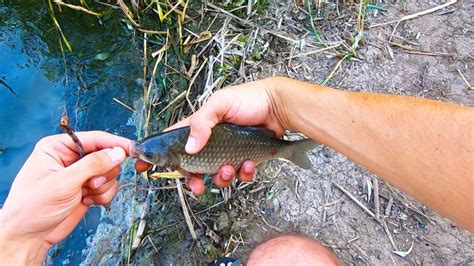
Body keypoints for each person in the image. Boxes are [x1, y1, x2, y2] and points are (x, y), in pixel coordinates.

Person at [0, 77, 472, 265]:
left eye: (151, 156)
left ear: (165, 157)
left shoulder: (180, 156)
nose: (146, 160)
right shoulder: (173, 154)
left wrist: (20, 241)